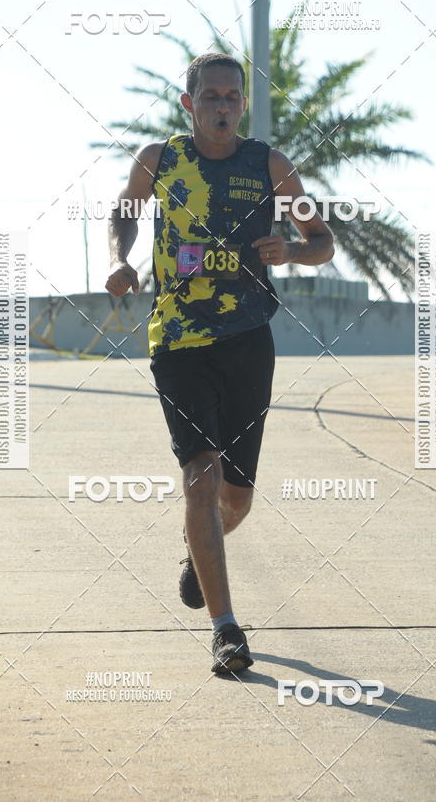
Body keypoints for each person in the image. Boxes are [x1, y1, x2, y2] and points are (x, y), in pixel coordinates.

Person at [106, 53, 334, 674]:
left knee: (236, 499)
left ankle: (195, 553)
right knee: (200, 478)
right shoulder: (160, 160)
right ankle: (226, 629)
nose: (222, 106)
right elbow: (124, 213)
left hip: (248, 340)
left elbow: (324, 242)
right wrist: (121, 260)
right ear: (189, 104)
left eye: (232, 96)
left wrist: (290, 248)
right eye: (210, 96)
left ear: (243, 104)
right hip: (177, 339)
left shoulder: (269, 166)